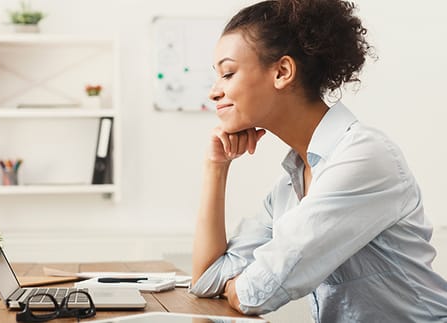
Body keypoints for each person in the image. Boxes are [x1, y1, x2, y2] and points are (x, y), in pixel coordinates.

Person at [189, 0, 447, 322]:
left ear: (282, 72)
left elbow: (257, 293)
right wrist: (217, 167)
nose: (214, 92)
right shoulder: (289, 185)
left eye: (228, 73)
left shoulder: (363, 157)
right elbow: (205, 280)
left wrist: (237, 287)